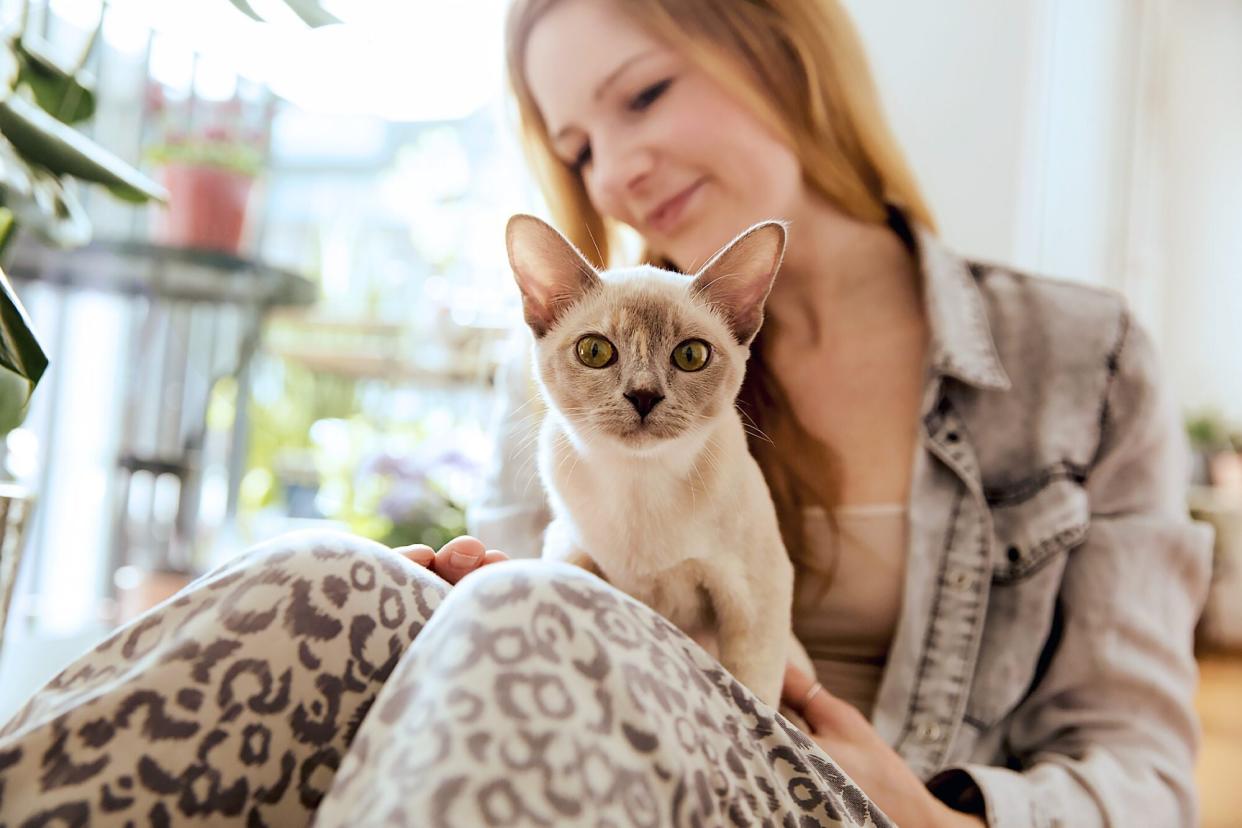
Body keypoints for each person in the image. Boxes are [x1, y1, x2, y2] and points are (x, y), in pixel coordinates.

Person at [0, 1, 1210, 827]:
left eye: (643, 94)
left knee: (530, 604)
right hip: (595, 744)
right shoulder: (582, 354)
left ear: (776, 41)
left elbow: (1148, 775)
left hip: (859, 794)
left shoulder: (1082, 359)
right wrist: (457, 594)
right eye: (575, 146)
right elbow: (518, 625)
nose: (612, 172)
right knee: (328, 578)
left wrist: (921, 806)